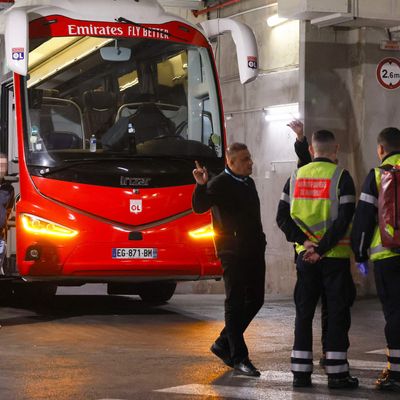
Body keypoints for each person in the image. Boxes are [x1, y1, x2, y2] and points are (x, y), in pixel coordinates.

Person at [276, 130, 359, 389]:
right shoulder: (341, 177)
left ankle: (300, 373)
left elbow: (282, 218)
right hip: (333, 258)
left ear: (312, 150)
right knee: (336, 313)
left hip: (305, 257)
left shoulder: (294, 177)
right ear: (335, 150)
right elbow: (344, 220)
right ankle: (337, 374)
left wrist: (305, 244)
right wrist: (322, 248)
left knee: (303, 313)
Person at [192, 143, 266, 377]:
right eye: (244, 159)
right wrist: (200, 186)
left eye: (250, 157)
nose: (250, 162)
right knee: (234, 301)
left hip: (253, 249)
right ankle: (239, 357)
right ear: (230, 162)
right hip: (231, 251)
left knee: (256, 299)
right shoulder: (220, 184)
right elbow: (199, 207)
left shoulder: (249, 183)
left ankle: (223, 343)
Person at [351, 127, 400, 393]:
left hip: (387, 257)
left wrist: (359, 253)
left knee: (394, 313)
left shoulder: (378, 174)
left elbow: (364, 217)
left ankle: (396, 372)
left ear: (381, 150)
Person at [0, 154, 14, 272]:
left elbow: (9, 209)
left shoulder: (9, 188)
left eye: (4, 166)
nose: (2, 169)